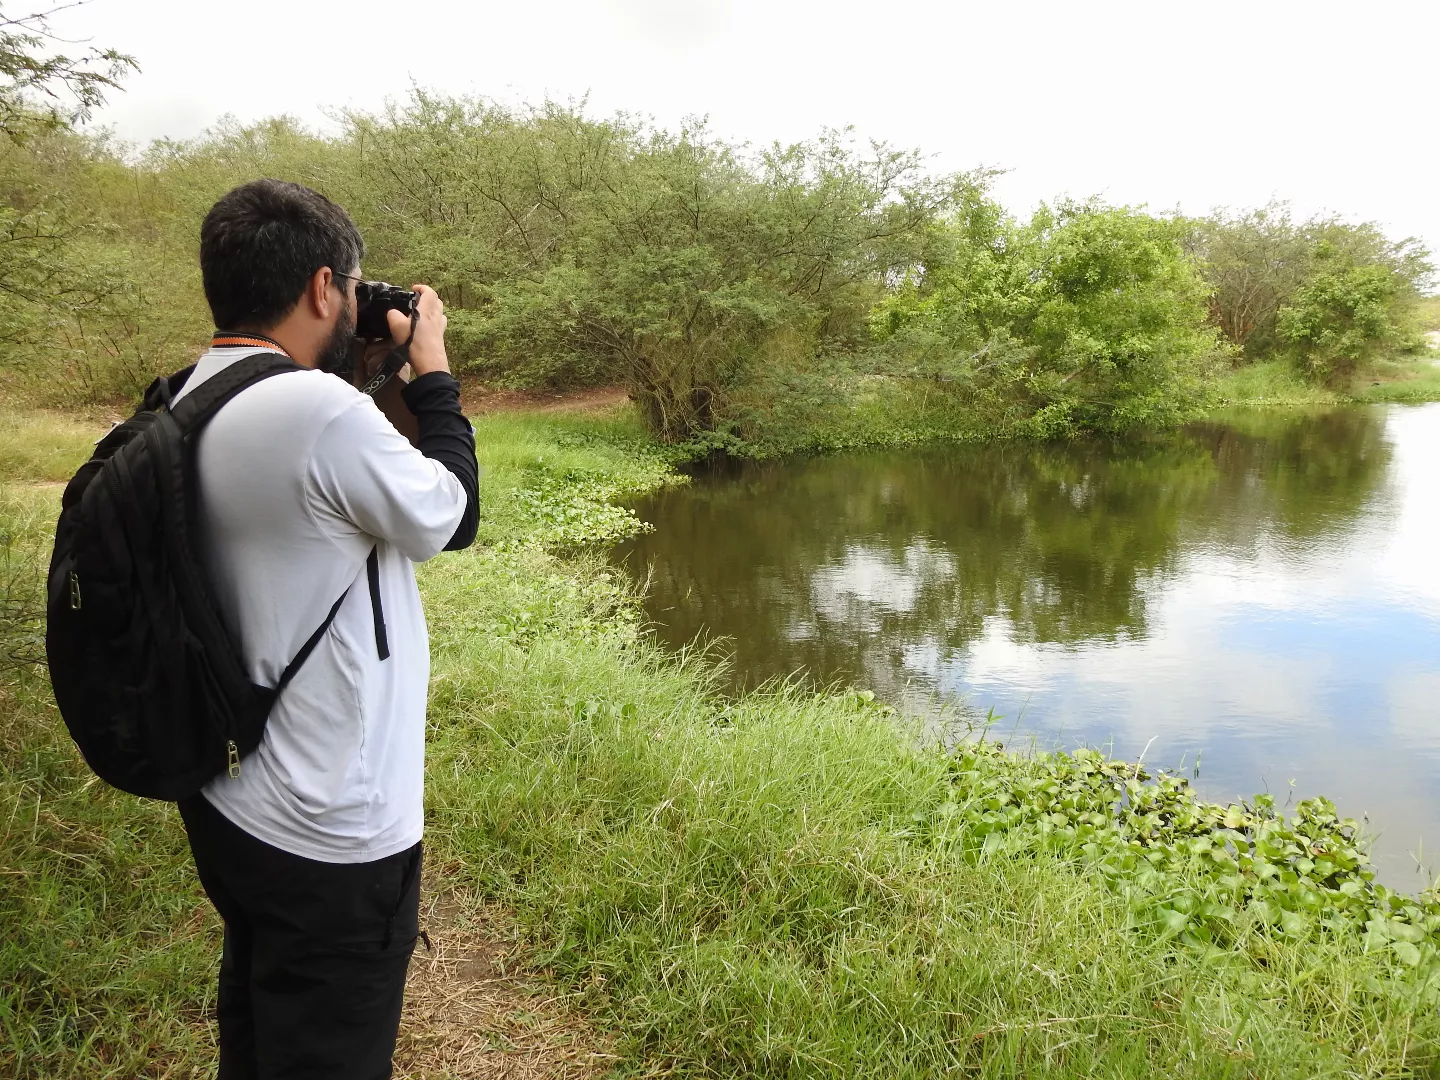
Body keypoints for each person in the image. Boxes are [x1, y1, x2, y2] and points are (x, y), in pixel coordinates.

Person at [173, 178, 478, 1080]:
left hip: (235, 796)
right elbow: (449, 514)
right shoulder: (317, 414)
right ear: (320, 289)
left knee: (263, 1023)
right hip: (332, 825)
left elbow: (328, 477)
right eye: (352, 285)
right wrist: (432, 366)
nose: (358, 301)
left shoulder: (198, 390)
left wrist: (364, 369)